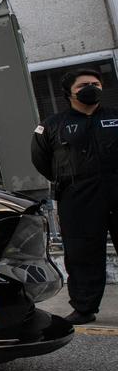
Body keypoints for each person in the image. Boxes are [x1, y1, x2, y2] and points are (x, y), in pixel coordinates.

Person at [31, 68, 118, 325]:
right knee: (82, 254)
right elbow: (41, 161)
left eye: (95, 83)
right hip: (79, 197)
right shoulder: (50, 126)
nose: (91, 88)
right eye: (83, 85)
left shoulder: (115, 117)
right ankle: (84, 308)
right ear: (68, 93)